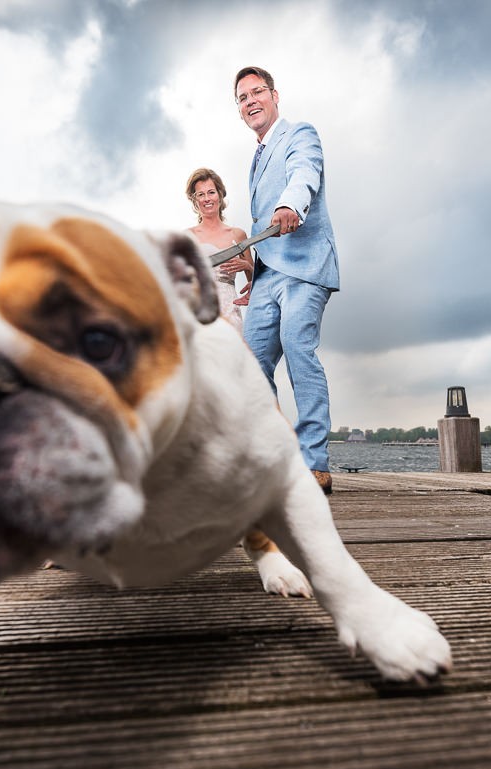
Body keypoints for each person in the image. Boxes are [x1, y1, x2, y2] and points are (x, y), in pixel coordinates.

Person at [234, 65, 339, 494]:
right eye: (242, 98)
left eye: (257, 92)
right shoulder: (256, 157)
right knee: (251, 365)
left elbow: (304, 173)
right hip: (268, 273)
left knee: (298, 347)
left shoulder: (300, 134)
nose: (251, 101)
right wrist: (255, 274)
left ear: (275, 96)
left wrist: (291, 205)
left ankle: (314, 463)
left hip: (305, 266)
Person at [183, 167, 253, 333]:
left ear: (220, 195)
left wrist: (248, 267)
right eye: (200, 194)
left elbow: (254, 283)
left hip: (231, 312)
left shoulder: (238, 235)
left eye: (211, 192)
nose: (207, 199)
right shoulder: (187, 237)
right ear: (194, 200)